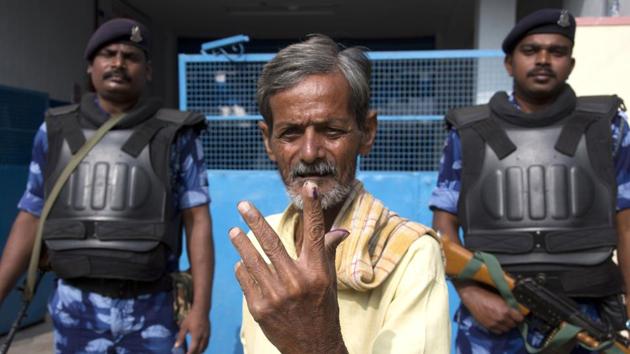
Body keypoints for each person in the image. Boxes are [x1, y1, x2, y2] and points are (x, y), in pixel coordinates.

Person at [0, 18, 213, 354]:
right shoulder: (54, 131)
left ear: (149, 70)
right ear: (90, 67)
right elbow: (30, 215)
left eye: (131, 56)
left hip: (153, 307)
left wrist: (201, 309)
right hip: (76, 308)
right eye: (108, 54)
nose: (118, 63)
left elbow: (197, 221)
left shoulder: (176, 135)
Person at [228, 34, 450, 354]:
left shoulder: (411, 254)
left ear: (367, 133)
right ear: (268, 142)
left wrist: (318, 340)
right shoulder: (266, 241)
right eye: (290, 133)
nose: (309, 153)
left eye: (331, 131)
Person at [430, 8, 630, 353]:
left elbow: (627, 228)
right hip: (493, 322)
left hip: (589, 319)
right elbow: (442, 230)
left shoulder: (608, 128)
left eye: (556, 51)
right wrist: (471, 293)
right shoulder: (469, 132)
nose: (543, 60)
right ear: (509, 63)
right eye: (530, 50)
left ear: (571, 63)